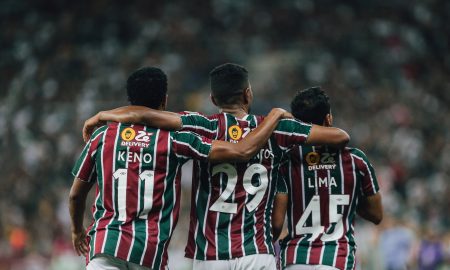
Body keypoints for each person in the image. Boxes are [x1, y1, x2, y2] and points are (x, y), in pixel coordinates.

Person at [82, 63, 350, 270]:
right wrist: (279, 117)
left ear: (212, 98)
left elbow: (146, 115)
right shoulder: (276, 129)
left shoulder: (203, 125)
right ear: (248, 94)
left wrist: (105, 114)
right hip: (256, 253)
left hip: (209, 255)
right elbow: (339, 136)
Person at [273, 87, 383, 270]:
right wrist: (346, 197)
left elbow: (277, 221)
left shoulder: (285, 161)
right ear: (329, 118)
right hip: (337, 259)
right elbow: (377, 215)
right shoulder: (356, 161)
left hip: (296, 258)